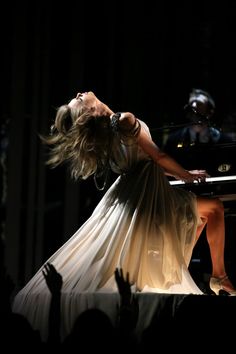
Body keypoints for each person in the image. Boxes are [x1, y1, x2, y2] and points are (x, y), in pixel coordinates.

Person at [12, 91, 236, 340]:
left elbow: (147, 162)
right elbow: (157, 157)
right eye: (79, 100)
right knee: (214, 209)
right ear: (90, 111)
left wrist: (177, 174)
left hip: (136, 193)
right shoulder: (124, 120)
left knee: (202, 215)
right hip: (146, 196)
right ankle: (219, 276)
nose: (79, 94)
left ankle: (195, 270)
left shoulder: (109, 133)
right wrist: (186, 175)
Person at [164, 88, 231, 153]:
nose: (194, 106)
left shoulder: (223, 140)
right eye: (192, 104)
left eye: (200, 104)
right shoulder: (174, 140)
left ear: (210, 111)